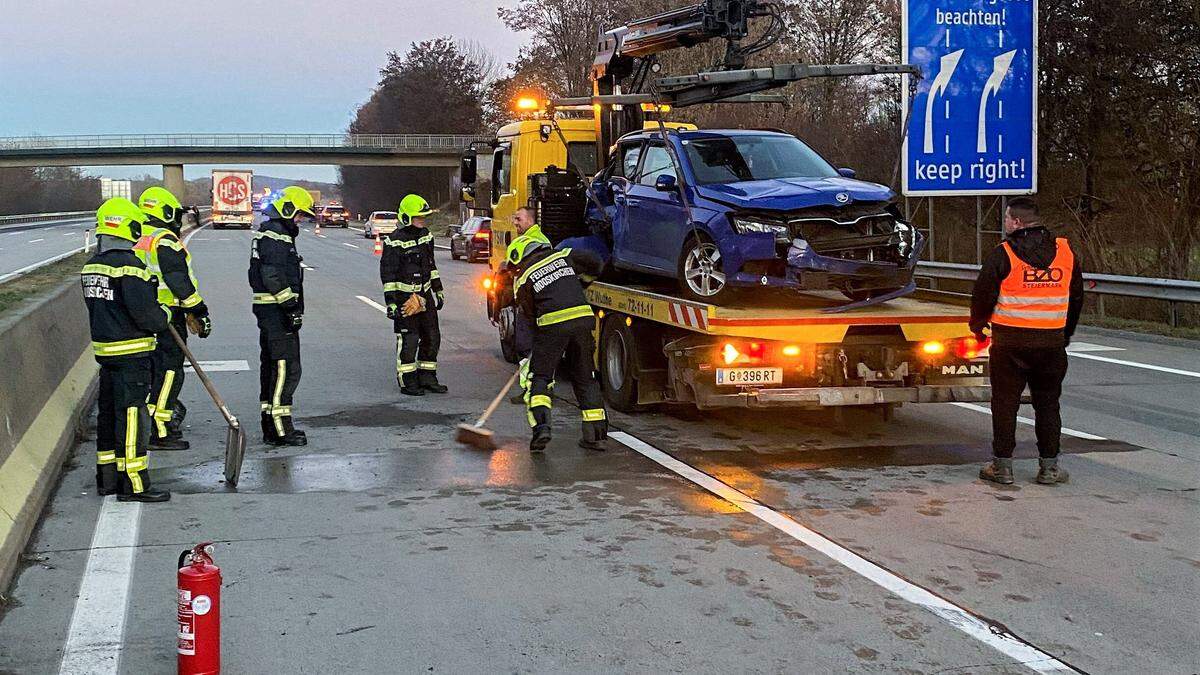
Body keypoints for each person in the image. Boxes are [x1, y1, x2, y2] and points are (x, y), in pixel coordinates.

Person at [970, 197, 1083, 485]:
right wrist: (1065, 332)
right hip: (1051, 344)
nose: (1005, 223)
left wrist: (978, 325)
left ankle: (1002, 467)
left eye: (1007, 218)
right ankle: (1049, 468)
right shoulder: (1065, 253)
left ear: (1017, 222)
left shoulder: (1003, 253)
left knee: (1005, 405)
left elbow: (983, 293)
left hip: (1010, 343)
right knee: (1048, 405)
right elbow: (1077, 297)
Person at [82, 198, 171, 502]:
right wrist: (165, 314)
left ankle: (107, 479)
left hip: (106, 353)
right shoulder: (132, 268)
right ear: (128, 227)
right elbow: (149, 317)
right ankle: (135, 483)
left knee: (108, 415)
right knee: (134, 416)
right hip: (132, 355)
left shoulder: (91, 266)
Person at [508, 235, 607, 453]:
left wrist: (541, 344)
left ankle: (541, 429)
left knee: (540, 378)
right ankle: (595, 437)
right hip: (582, 320)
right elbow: (596, 263)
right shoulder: (563, 256)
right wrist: (581, 284)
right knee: (585, 378)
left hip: (552, 326)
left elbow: (528, 316)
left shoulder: (523, 279)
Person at [134, 186, 211, 451]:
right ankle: (160, 429)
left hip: (139, 316)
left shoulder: (135, 236)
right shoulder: (164, 240)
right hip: (167, 316)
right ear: (165, 212)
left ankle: (147, 423)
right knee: (169, 372)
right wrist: (198, 310)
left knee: (151, 372)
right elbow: (178, 280)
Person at [249, 186, 314, 446]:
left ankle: (271, 424)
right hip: (276, 312)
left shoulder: (270, 232)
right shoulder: (276, 235)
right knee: (286, 369)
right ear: (287, 209)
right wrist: (290, 307)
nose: (300, 220)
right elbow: (272, 274)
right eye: (299, 214)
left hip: (269, 311)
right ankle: (280, 429)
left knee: (272, 368)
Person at [381, 194, 447, 396]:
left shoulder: (426, 235)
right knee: (409, 341)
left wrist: (438, 289)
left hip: (425, 297)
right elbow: (388, 275)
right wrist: (391, 303)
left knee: (432, 337)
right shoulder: (393, 242)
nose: (422, 220)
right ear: (407, 217)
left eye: (424, 217)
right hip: (404, 300)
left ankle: (427, 377)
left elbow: (431, 266)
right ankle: (408, 381)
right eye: (418, 217)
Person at [499, 207, 550, 402]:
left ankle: (531, 390)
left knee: (524, 345)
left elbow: (511, 268)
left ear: (530, 220)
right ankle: (544, 387)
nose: (515, 222)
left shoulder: (525, 243)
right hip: (541, 301)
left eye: (519, 219)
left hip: (529, 304)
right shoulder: (544, 240)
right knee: (542, 347)